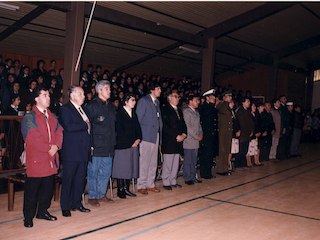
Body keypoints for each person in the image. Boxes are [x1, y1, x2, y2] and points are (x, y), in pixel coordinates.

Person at [21, 86, 63, 228]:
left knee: (47, 188)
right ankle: (28, 216)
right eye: (44, 95)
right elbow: (32, 138)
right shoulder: (29, 117)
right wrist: (49, 148)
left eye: (48, 95)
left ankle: (42, 211)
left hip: (50, 158)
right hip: (37, 159)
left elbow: (59, 131)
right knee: (32, 191)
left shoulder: (52, 116)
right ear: (36, 99)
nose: (48, 97)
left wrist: (56, 146)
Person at [59, 86, 91, 217]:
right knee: (68, 179)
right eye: (80, 94)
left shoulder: (83, 109)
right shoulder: (65, 109)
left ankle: (76, 203)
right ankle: (65, 206)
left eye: (83, 93)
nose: (83, 96)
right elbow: (69, 126)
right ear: (72, 95)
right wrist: (86, 125)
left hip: (83, 150)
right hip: (71, 151)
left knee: (80, 179)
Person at [85, 80, 116, 206]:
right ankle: (92, 196)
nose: (110, 91)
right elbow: (87, 126)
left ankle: (101, 194)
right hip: (96, 145)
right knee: (93, 172)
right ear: (100, 90)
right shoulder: (91, 106)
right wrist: (90, 144)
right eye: (107, 89)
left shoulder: (112, 106)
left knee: (106, 172)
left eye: (109, 89)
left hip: (109, 145)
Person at [112, 93, 142, 198]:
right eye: (132, 100)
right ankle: (120, 190)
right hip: (123, 145)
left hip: (133, 145)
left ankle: (127, 189)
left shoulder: (134, 113)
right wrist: (131, 143)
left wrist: (138, 138)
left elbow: (138, 128)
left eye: (135, 100)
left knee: (130, 167)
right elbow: (119, 131)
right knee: (122, 168)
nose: (135, 102)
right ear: (126, 101)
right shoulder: (119, 113)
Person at [136, 81, 163, 194]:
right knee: (144, 162)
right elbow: (138, 119)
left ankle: (150, 184)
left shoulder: (156, 102)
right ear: (152, 90)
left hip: (155, 135)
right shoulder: (144, 101)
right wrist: (138, 136)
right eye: (158, 89)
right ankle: (141, 185)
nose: (160, 91)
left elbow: (158, 119)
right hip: (146, 136)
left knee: (153, 162)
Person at [161, 90, 187, 190]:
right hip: (169, 140)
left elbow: (183, 124)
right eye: (175, 96)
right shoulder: (165, 109)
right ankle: (166, 182)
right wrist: (176, 135)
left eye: (178, 97)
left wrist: (184, 135)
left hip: (179, 140)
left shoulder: (179, 110)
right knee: (168, 162)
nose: (178, 98)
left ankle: (173, 180)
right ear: (169, 98)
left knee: (176, 162)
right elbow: (165, 126)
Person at [198, 89, 219, 179]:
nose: (214, 99)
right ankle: (204, 173)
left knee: (210, 155)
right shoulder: (204, 107)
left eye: (214, 97)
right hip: (206, 135)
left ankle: (208, 172)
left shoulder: (212, 107)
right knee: (205, 154)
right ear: (207, 98)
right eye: (212, 97)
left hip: (212, 135)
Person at [183, 94, 203, 185]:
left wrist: (201, 134)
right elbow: (188, 127)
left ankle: (193, 176)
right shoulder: (186, 112)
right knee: (188, 160)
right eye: (196, 100)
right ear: (190, 101)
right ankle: (187, 178)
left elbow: (199, 126)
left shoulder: (196, 112)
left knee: (194, 160)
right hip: (189, 140)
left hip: (196, 141)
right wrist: (196, 136)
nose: (198, 102)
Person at [216, 91, 233, 175]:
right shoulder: (222, 105)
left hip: (228, 132)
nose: (229, 98)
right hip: (222, 132)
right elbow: (221, 110)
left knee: (227, 151)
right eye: (228, 96)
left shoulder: (228, 107)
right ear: (224, 97)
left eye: (230, 97)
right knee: (222, 151)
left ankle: (225, 169)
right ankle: (220, 169)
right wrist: (226, 102)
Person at [235, 97, 254, 168]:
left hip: (247, 134)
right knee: (241, 150)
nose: (249, 103)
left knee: (245, 150)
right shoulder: (240, 111)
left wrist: (252, 130)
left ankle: (243, 164)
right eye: (247, 101)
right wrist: (247, 131)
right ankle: (238, 165)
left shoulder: (248, 111)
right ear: (243, 102)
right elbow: (242, 124)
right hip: (243, 134)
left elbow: (251, 122)